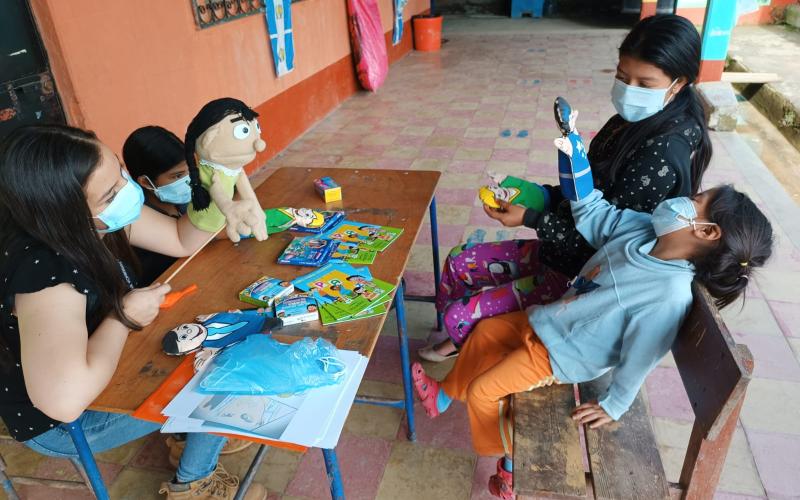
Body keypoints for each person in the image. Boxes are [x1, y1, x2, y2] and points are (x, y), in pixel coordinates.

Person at [412, 183, 773, 498]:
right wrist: (576, 169)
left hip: (561, 356)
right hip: (551, 321)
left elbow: (641, 357)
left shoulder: (668, 295)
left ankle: (511, 463)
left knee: (483, 392)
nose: (683, 199)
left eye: (696, 199)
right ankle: (445, 394)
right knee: (485, 332)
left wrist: (615, 404)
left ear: (708, 232)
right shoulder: (645, 233)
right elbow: (602, 217)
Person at [422, 14, 714, 361]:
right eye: (622, 76)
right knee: (458, 261)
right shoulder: (629, 121)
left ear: (678, 83)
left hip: (584, 278)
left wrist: (531, 217)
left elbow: (605, 242)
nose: (628, 90)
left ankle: (466, 339)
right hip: (559, 248)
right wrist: (535, 193)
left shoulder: (662, 155)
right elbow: (584, 192)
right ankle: (461, 333)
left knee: (463, 315)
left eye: (644, 84)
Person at [0, 125, 267, 500]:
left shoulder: (102, 217)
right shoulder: (46, 273)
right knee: (226, 362)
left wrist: (218, 181)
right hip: (65, 425)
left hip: (103, 367)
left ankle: (181, 432)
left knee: (220, 332)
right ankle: (194, 483)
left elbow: (179, 238)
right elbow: (64, 402)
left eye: (120, 171)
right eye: (111, 192)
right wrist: (121, 318)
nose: (128, 192)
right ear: (65, 212)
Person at [123, 125, 191, 285]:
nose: (188, 180)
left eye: (190, 170)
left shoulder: (180, 201)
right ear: (146, 182)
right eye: (177, 176)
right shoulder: (136, 222)